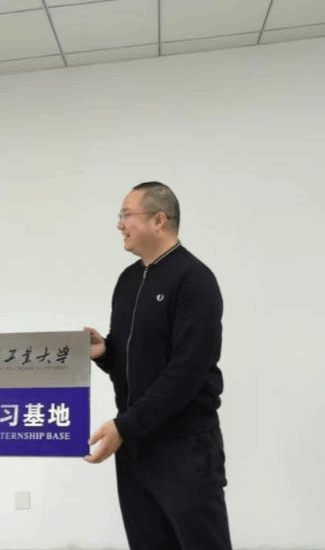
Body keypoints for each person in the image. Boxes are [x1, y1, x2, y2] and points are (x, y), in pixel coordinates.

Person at [83, 182, 232, 549]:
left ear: (159, 220)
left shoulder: (194, 280)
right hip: (135, 447)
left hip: (184, 447)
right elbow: (132, 364)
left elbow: (186, 373)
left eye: (126, 215)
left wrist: (123, 426)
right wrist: (105, 352)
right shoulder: (128, 280)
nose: (119, 224)